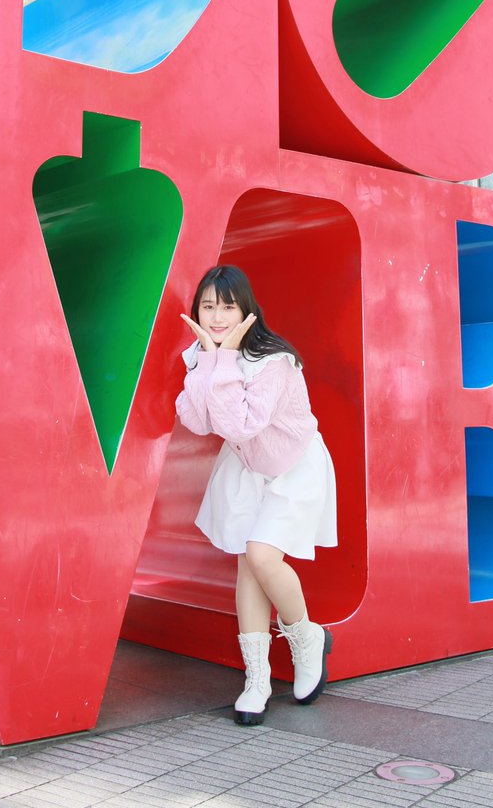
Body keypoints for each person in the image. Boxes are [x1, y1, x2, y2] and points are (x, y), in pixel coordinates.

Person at [176, 264, 337, 726]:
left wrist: (220, 362)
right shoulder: (201, 355)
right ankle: (257, 679)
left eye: (227, 306)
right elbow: (198, 421)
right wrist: (209, 361)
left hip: (293, 466)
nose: (218, 317)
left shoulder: (275, 360)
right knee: (247, 564)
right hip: (247, 467)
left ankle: (306, 636)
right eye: (208, 307)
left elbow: (241, 424)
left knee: (263, 557)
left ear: (247, 308)